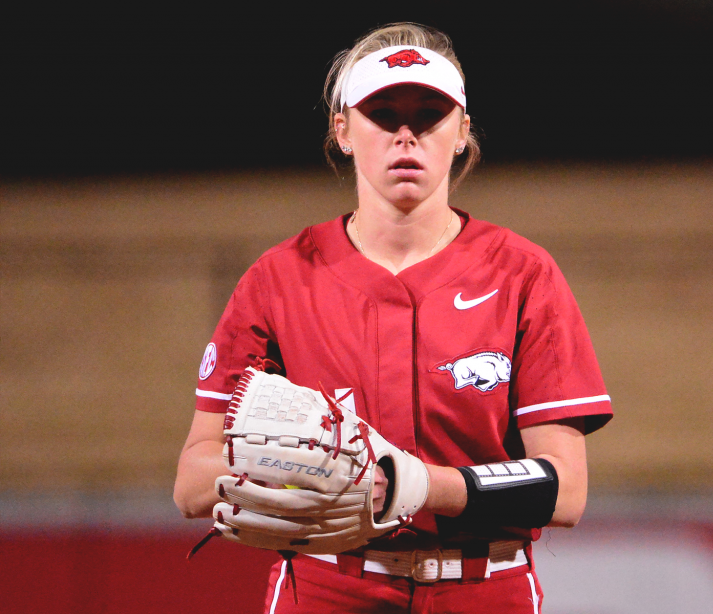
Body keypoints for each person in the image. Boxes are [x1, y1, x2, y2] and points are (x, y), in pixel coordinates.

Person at [173, 22, 612, 614]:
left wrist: (421, 484)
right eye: (383, 113)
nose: (407, 134)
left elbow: (566, 491)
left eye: (429, 114)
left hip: (485, 588)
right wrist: (302, 460)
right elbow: (193, 485)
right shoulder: (279, 279)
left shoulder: (522, 275)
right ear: (343, 130)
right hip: (327, 584)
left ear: (461, 132)